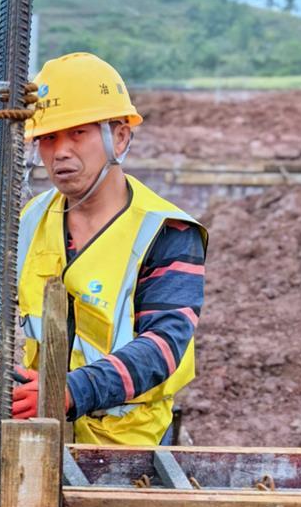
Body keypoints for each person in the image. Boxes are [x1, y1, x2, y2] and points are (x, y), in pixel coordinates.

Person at [12, 51, 207, 446]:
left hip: (129, 444)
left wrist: (75, 389)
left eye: (77, 133)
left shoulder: (165, 231)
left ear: (119, 136)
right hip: (43, 430)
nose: (60, 151)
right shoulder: (34, 217)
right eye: (49, 138)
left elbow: (164, 342)